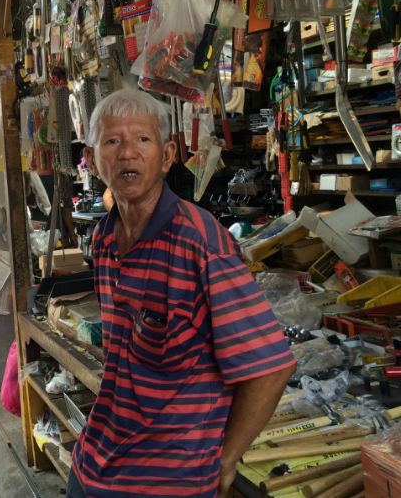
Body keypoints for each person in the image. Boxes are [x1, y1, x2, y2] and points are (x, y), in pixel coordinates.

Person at [68, 89, 295, 498]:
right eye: (112, 141)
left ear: (168, 154)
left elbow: (272, 366)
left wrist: (225, 462)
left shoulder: (201, 242)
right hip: (93, 463)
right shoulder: (104, 239)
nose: (127, 154)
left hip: (170, 480)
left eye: (143, 139)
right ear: (91, 157)